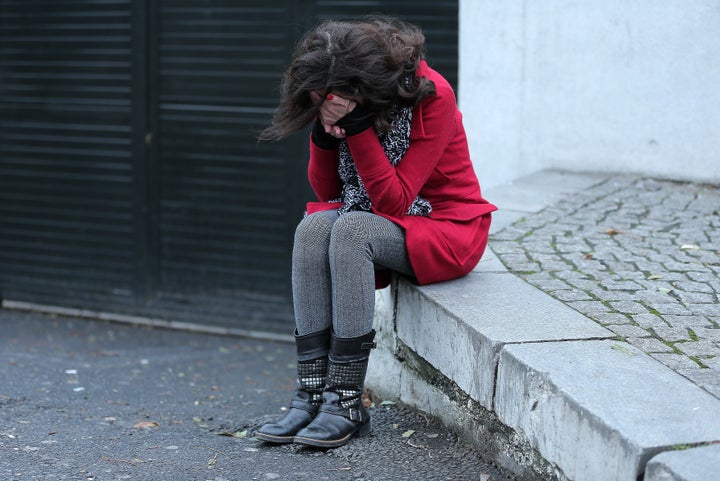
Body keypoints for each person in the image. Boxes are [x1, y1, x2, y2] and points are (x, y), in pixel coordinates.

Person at [254, 17, 497, 448]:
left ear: (362, 84)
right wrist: (326, 135)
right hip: (384, 218)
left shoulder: (431, 94)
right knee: (312, 227)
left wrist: (360, 128)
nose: (324, 103)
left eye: (329, 97)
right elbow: (329, 190)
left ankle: (346, 400)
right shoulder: (342, 99)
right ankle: (311, 393)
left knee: (350, 230)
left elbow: (394, 202)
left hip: (445, 226)